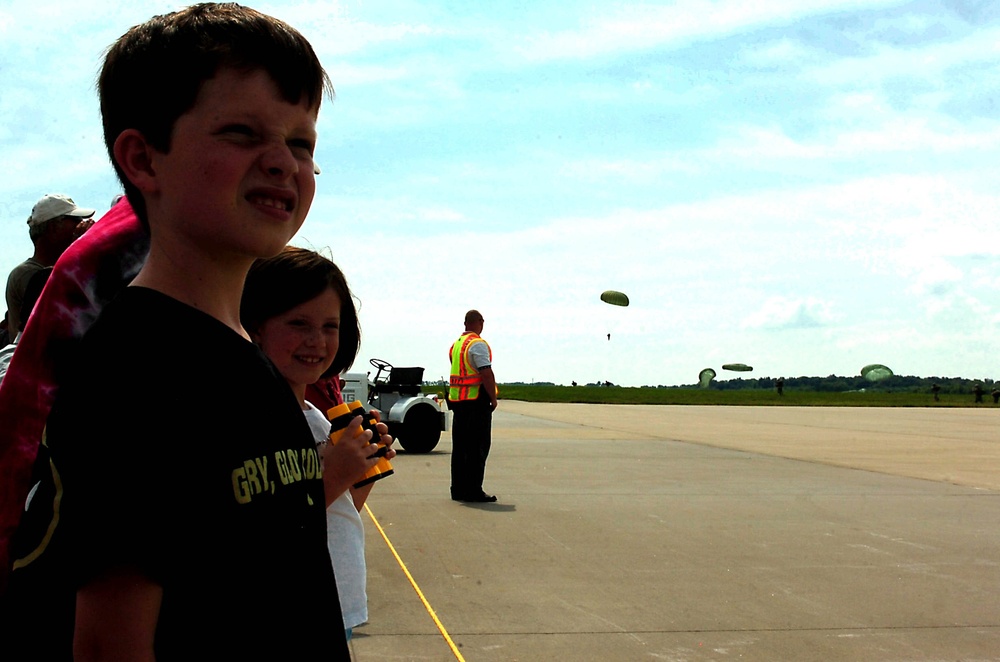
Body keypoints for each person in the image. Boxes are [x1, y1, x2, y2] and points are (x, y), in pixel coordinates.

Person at [0, 5, 349, 660]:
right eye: (243, 133)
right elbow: (110, 644)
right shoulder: (135, 373)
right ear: (143, 159)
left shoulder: (251, 356)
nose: (282, 162)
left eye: (301, 143)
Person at [242, 246, 395, 642]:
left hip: (334, 605)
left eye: (330, 326)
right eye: (298, 323)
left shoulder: (313, 416)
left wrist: (361, 470)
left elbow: (338, 512)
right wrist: (332, 476)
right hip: (285, 611)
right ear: (255, 326)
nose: (317, 341)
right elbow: (257, 532)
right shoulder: (251, 421)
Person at [4, 194, 94, 338]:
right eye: (75, 220)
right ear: (53, 227)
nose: (81, 224)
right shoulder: (27, 273)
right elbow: (68, 307)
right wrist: (80, 249)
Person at [447, 309, 498, 502]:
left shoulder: (457, 345)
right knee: (477, 447)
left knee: (460, 448)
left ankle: (458, 489)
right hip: (476, 402)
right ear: (479, 322)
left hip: (459, 402)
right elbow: (486, 373)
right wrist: (493, 398)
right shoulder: (478, 344)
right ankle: (474, 490)